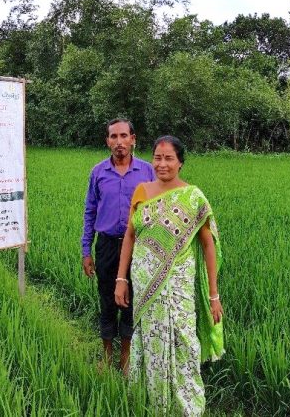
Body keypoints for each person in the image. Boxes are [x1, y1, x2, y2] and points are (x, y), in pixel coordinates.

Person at [114, 136, 224, 416]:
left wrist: (214, 294)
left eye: (168, 158)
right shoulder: (141, 191)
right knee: (148, 338)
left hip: (177, 286)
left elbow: (208, 244)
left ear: (180, 163)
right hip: (143, 284)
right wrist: (121, 279)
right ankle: (151, 400)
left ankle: (186, 406)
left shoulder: (193, 197)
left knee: (183, 339)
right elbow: (130, 235)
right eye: (158, 158)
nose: (162, 164)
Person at [82, 118, 155, 372]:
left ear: (133, 139)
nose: (119, 142)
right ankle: (106, 355)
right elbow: (90, 211)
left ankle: (125, 358)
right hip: (107, 248)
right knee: (107, 300)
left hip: (138, 248)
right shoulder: (98, 172)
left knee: (132, 302)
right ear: (107, 141)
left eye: (124, 136)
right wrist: (86, 250)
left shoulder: (147, 172)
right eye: (113, 137)